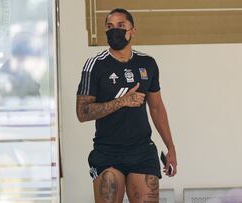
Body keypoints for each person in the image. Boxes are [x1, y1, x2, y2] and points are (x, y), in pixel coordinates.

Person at [76, 8, 177, 203]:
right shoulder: (95, 65)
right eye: (109, 26)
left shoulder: (147, 63)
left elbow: (156, 107)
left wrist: (170, 146)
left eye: (121, 26)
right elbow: (82, 112)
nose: (114, 30)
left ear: (133, 30)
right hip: (108, 152)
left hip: (142, 151)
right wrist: (122, 101)